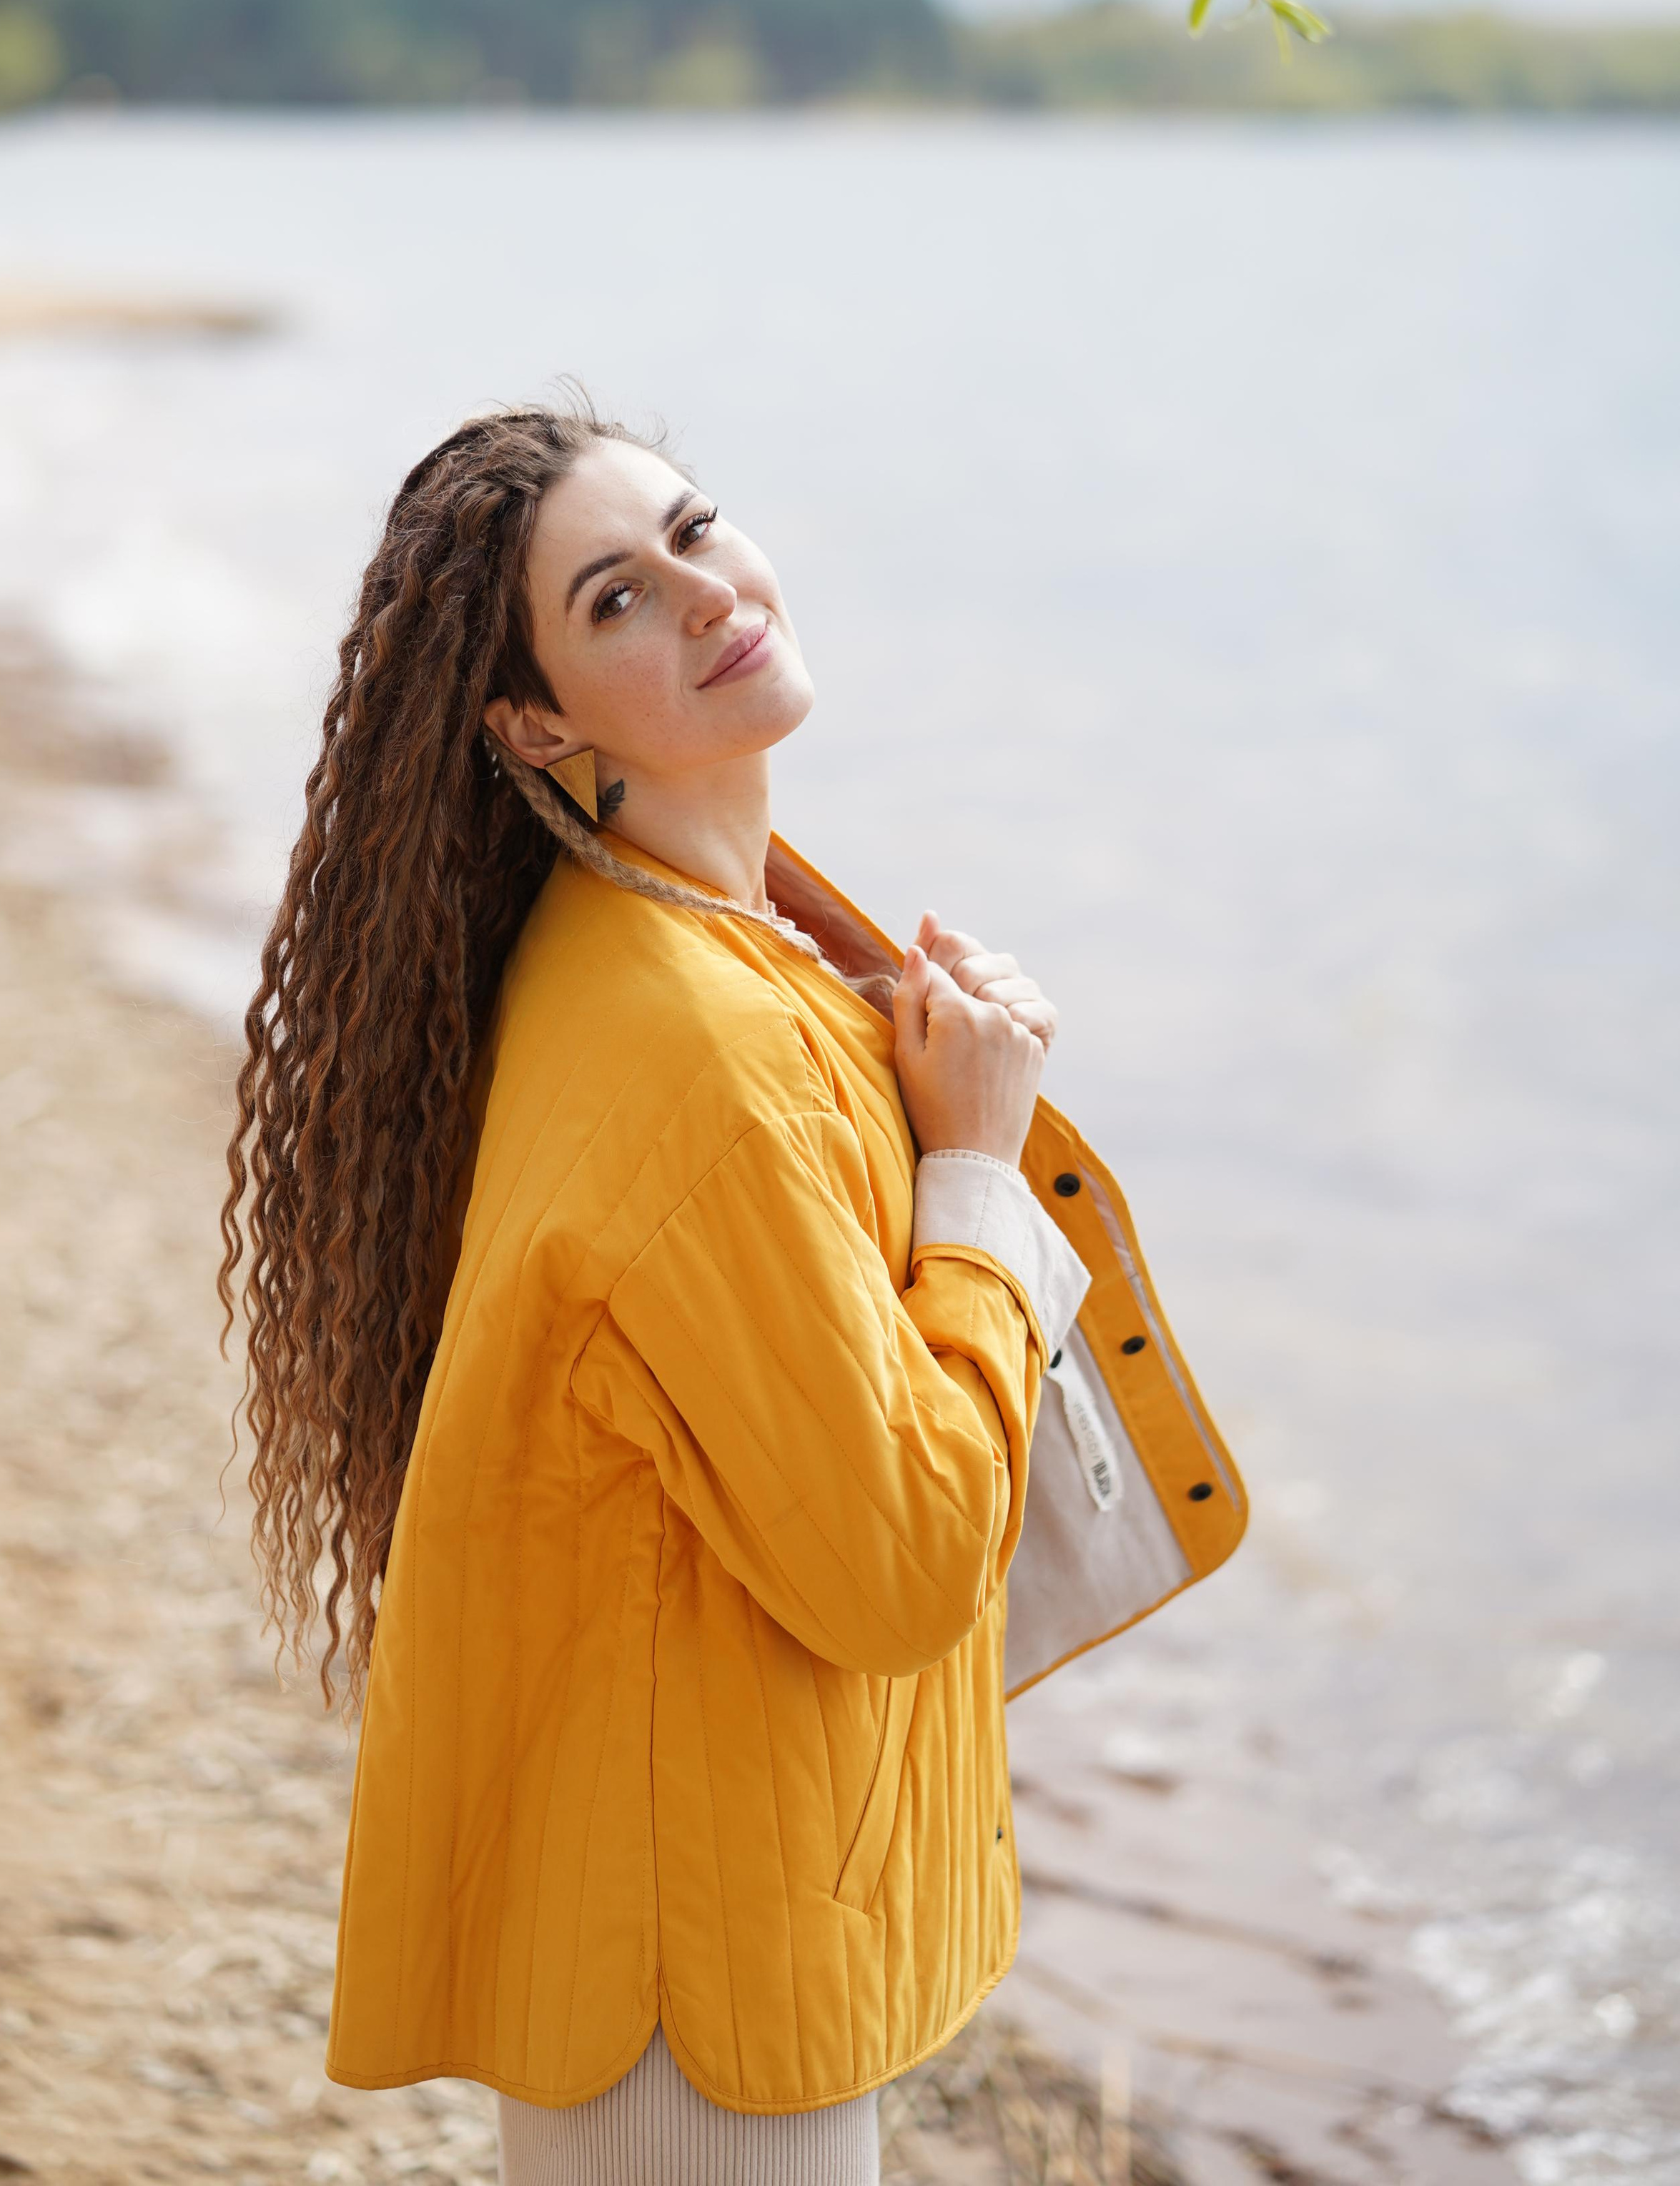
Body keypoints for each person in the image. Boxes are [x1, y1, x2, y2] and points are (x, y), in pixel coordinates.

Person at [220, 401, 1243, 2185]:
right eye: (616, 598)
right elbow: (901, 1556)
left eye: (694, 529)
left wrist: (922, 1091)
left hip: (678, 1899)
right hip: (689, 1972)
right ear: (528, 721)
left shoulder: (684, 940)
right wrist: (976, 1172)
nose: (704, 594)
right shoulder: (695, 1049)